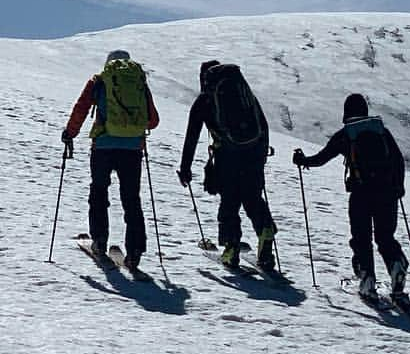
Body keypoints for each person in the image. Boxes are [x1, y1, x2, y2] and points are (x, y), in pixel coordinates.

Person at [293, 93, 407, 302]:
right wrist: (398, 187)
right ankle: (396, 265)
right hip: (387, 193)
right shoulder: (382, 131)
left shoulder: (346, 134)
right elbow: (398, 160)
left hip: (361, 194)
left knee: (361, 238)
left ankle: (367, 280)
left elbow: (322, 158)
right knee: (385, 237)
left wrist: (302, 160)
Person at [62, 49, 160, 269]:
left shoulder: (99, 81)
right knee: (131, 199)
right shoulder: (139, 82)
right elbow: (153, 120)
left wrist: (70, 133)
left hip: (103, 147)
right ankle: (135, 251)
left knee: (99, 191)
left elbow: (81, 108)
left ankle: (99, 241)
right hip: (132, 150)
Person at [177, 60, 277, 272]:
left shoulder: (205, 100)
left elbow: (191, 136)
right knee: (252, 197)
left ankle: (231, 249)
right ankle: (265, 231)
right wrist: (261, 155)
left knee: (230, 201)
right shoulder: (244, 93)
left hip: (227, 156)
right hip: (254, 154)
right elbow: (263, 124)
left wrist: (185, 168)